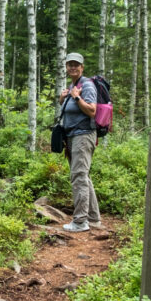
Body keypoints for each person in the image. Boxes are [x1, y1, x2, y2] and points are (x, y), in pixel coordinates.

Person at [58, 52, 101, 232]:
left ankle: (80, 221)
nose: (73, 67)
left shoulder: (87, 86)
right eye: (70, 65)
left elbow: (92, 110)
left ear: (82, 67)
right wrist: (63, 99)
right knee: (83, 176)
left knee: (79, 177)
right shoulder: (73, 85)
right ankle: (93, 218)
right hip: (73, 136)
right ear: (66, 68)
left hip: (83, 136)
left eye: (76, 64)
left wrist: (76, 97)